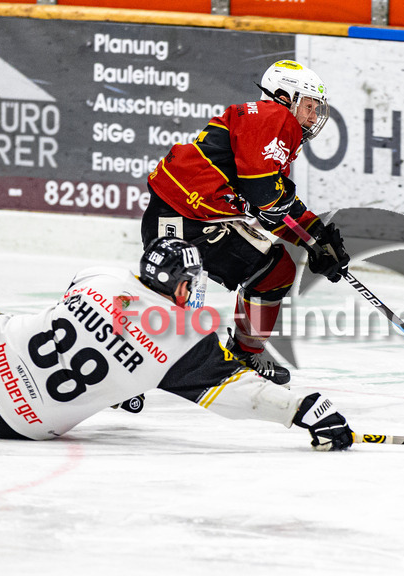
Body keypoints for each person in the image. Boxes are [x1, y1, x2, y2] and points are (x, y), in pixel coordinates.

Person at [0, 238, 354, 451]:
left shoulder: (100, 277)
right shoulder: (185, 339)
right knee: (23, 394)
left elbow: (78, 319)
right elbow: (241, 393)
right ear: (180, 287)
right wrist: (302, 410)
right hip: (16, 425)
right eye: (190, 284)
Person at [142, 60, 351, 385]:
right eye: (309, 106)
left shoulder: (263, 130)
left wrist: (316, 238)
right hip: (185, 218)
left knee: (272, 271)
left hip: (189, 217)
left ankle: (241, 356)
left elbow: (269, 205)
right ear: (285, 98)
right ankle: (126, 365)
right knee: (175, 307)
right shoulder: (275, 117)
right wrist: (312, 239)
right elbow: (265, 196)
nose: (312, 117)